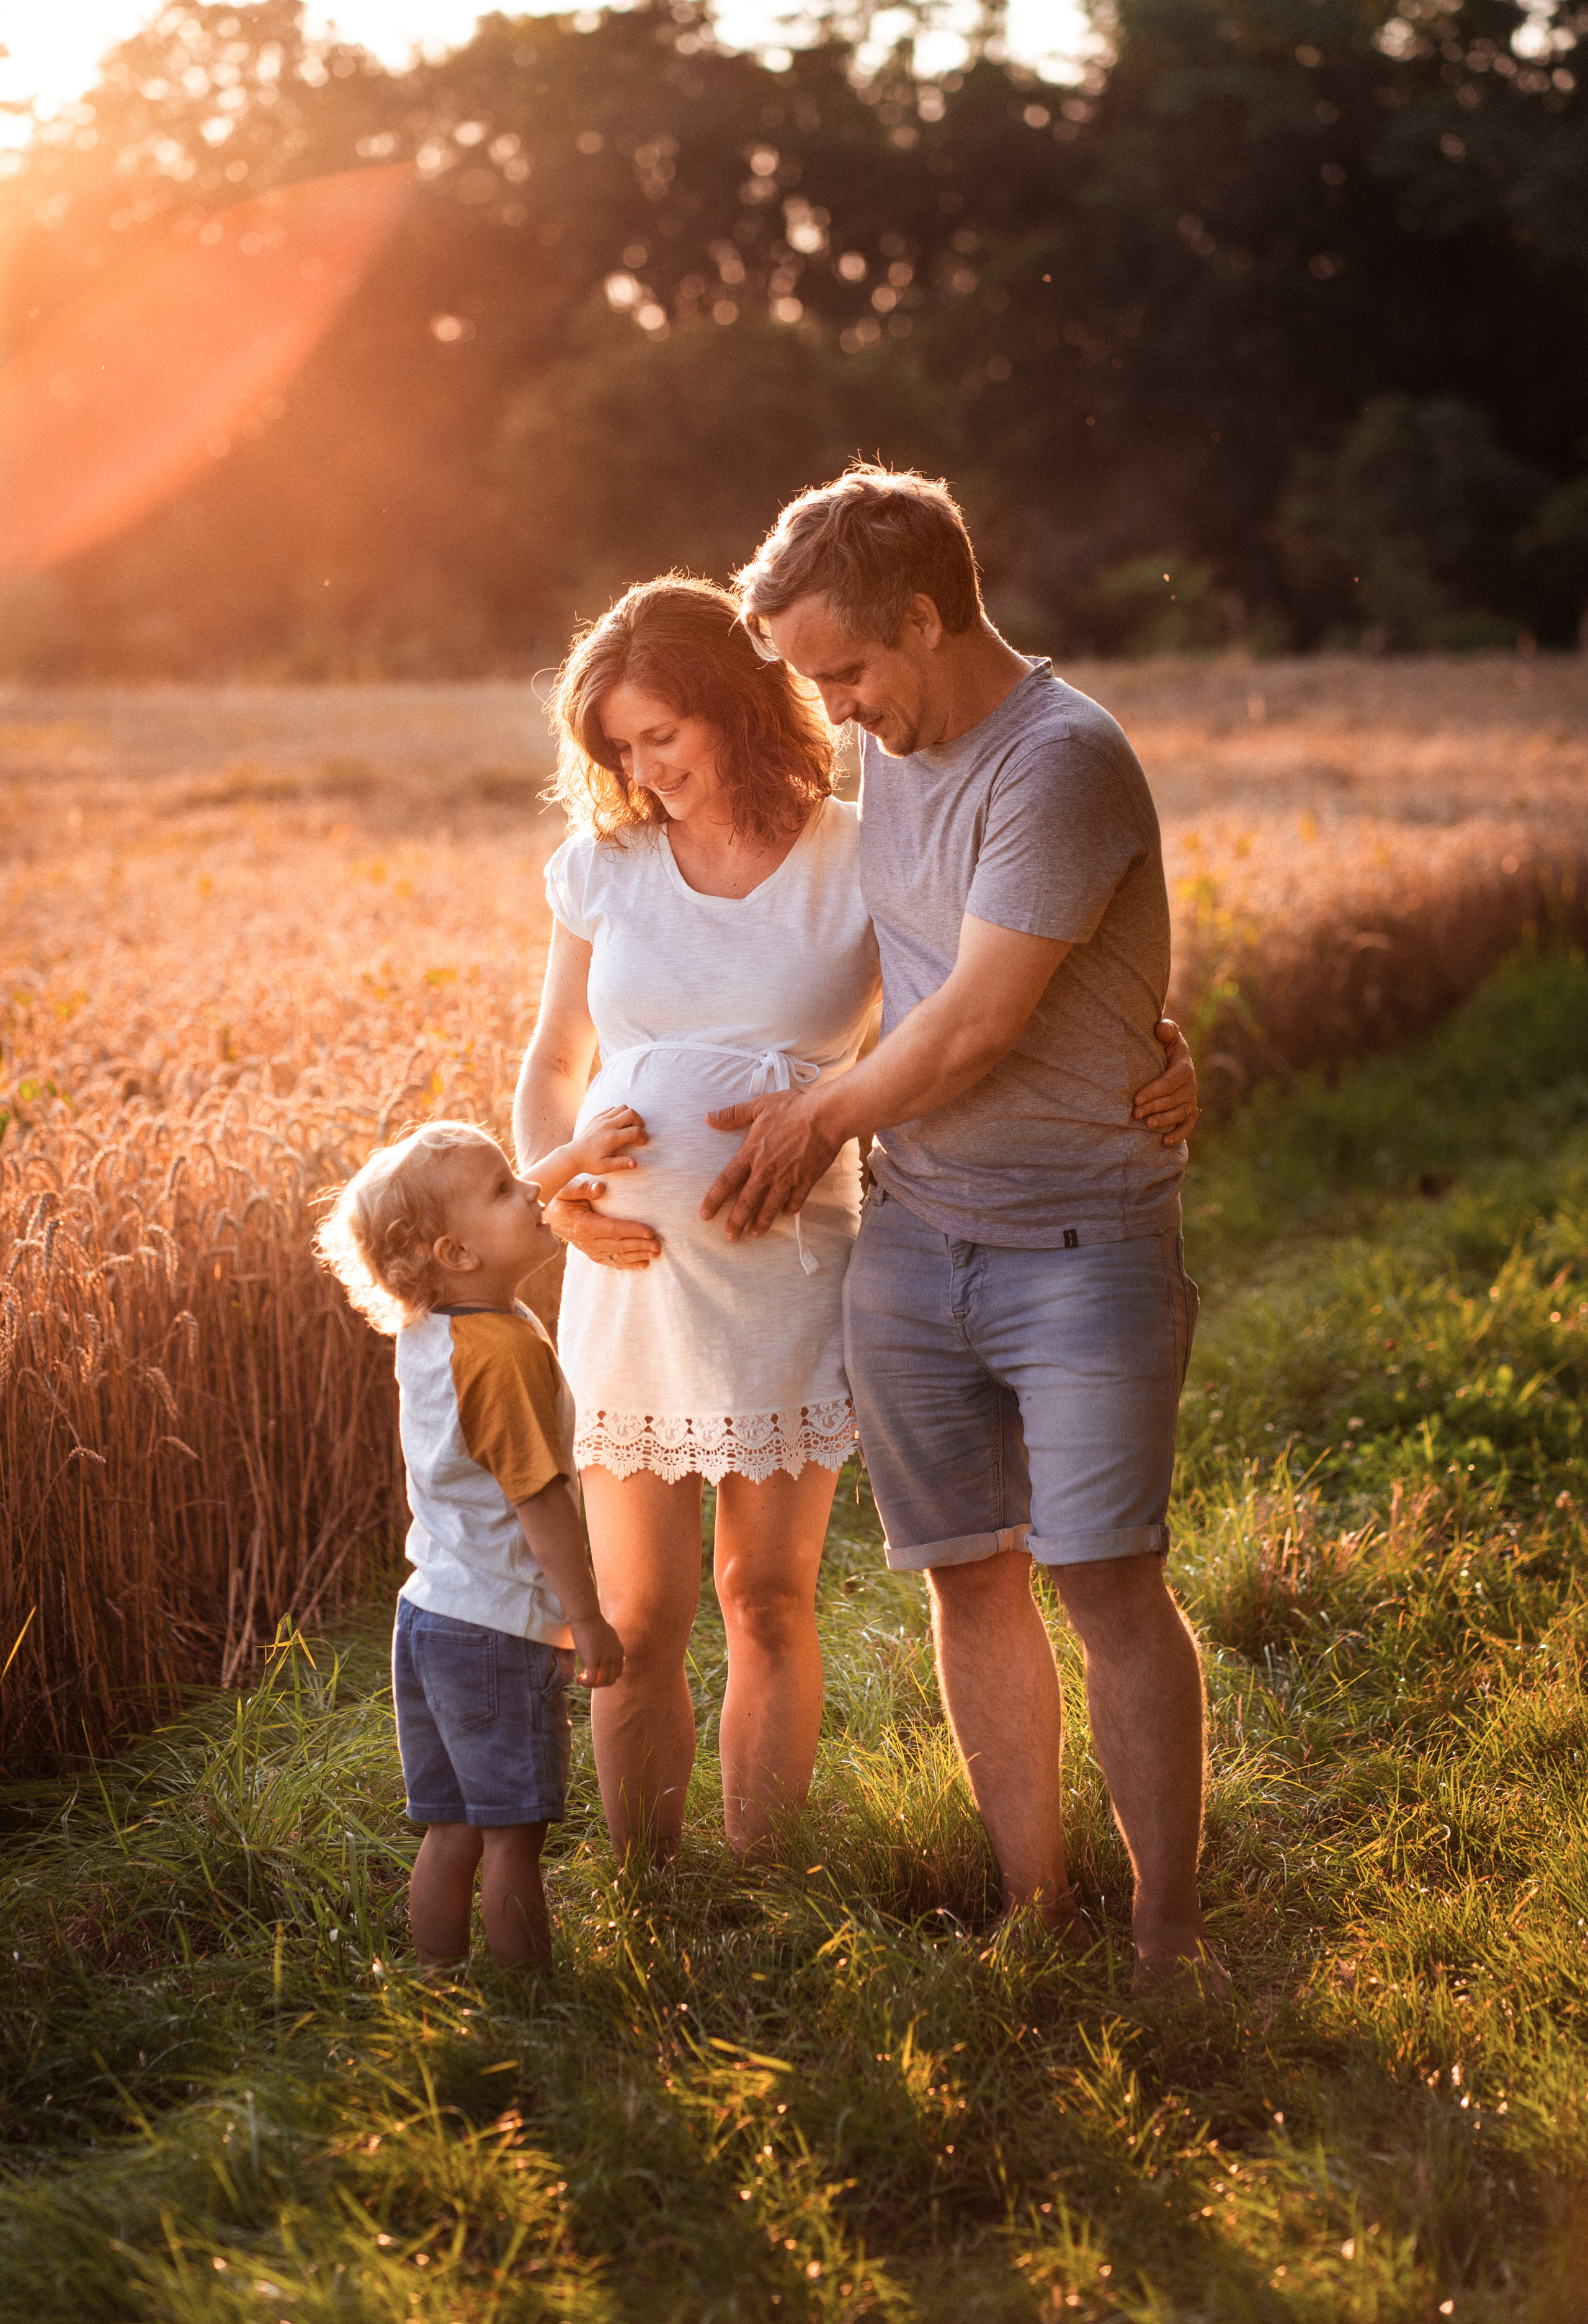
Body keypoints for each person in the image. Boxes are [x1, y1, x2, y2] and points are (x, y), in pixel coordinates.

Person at [513, 574, 1197, 1870]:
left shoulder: (859, 848)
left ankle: (761, 1879)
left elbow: (988, 988)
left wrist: (1157, 1050)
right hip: (628, 1269)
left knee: (762, 1599)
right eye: (617, 746)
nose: (642, 768)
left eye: (664, 733)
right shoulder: (598, 865)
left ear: (729, 704)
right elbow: (554, 1058)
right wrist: (552, 1194)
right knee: (635, 1612)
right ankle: (657, 1895)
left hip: (789, 1263)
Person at [703, 467, 1223, 1995]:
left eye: (850, 672)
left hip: (1082, 1250)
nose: (839, 710)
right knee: (964, 1575)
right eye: (814, 682)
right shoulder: (897, 752)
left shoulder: (1057, 758)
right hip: (916, 1248)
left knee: (1106, 1580)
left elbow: (980, 1021)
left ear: (925, 618)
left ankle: (1165, 1936)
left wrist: (813, 1122)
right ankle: (1031, 1912)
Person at [316, 1116, 628, 1971]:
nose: (533, 1190)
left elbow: (505, 1204)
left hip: (427, 1617)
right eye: (505, 1188)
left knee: (450, 1827)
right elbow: (541, 1498)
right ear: (456, 1251)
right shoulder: (504, 1353)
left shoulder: (437, 1329)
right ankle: (530, 2008)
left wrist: (565, 1162)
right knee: (514, 1841)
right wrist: (587, 1615)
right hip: (497, 1631)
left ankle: (435, 1982)